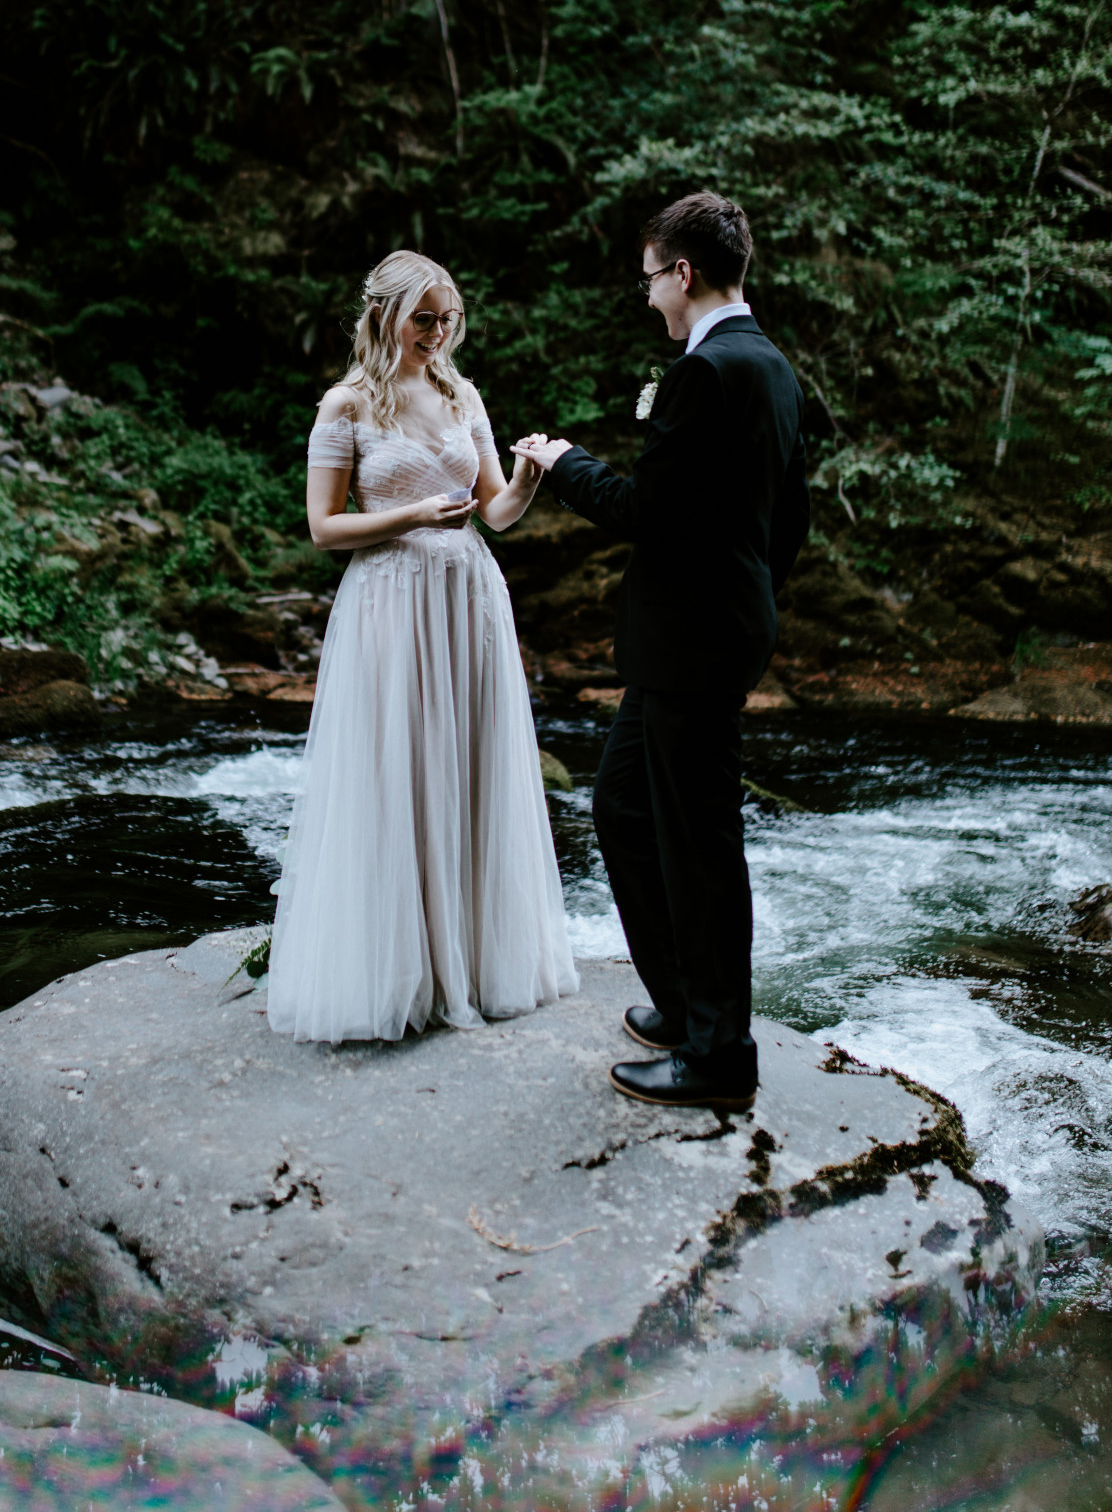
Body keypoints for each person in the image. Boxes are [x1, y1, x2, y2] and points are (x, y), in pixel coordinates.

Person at [513, 192, 808, 1112]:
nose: (646, 297)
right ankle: (685, 1006)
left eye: (650, 278)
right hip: (711, 630)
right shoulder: (772, 367)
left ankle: (720, 1059)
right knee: (625, 807)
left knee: (699, 844)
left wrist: (564, 463)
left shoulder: (706, 372)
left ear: (683, 272)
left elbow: (649, 511)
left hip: (692, 640)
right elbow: (787, 518)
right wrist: (750, 592)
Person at [266, 250, 580, 1044]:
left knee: (471, 765)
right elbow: (323, 528)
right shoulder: (345, 406)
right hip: (391, 600)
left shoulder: (459, 391)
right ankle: (401, 971)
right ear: (385, 316)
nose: (439, 334)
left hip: (468, 595)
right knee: (400, 771)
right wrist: (409, 517)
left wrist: (528, 478)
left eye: (448, 319)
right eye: (424, 319)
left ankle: (470, 966)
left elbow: (494, 513)